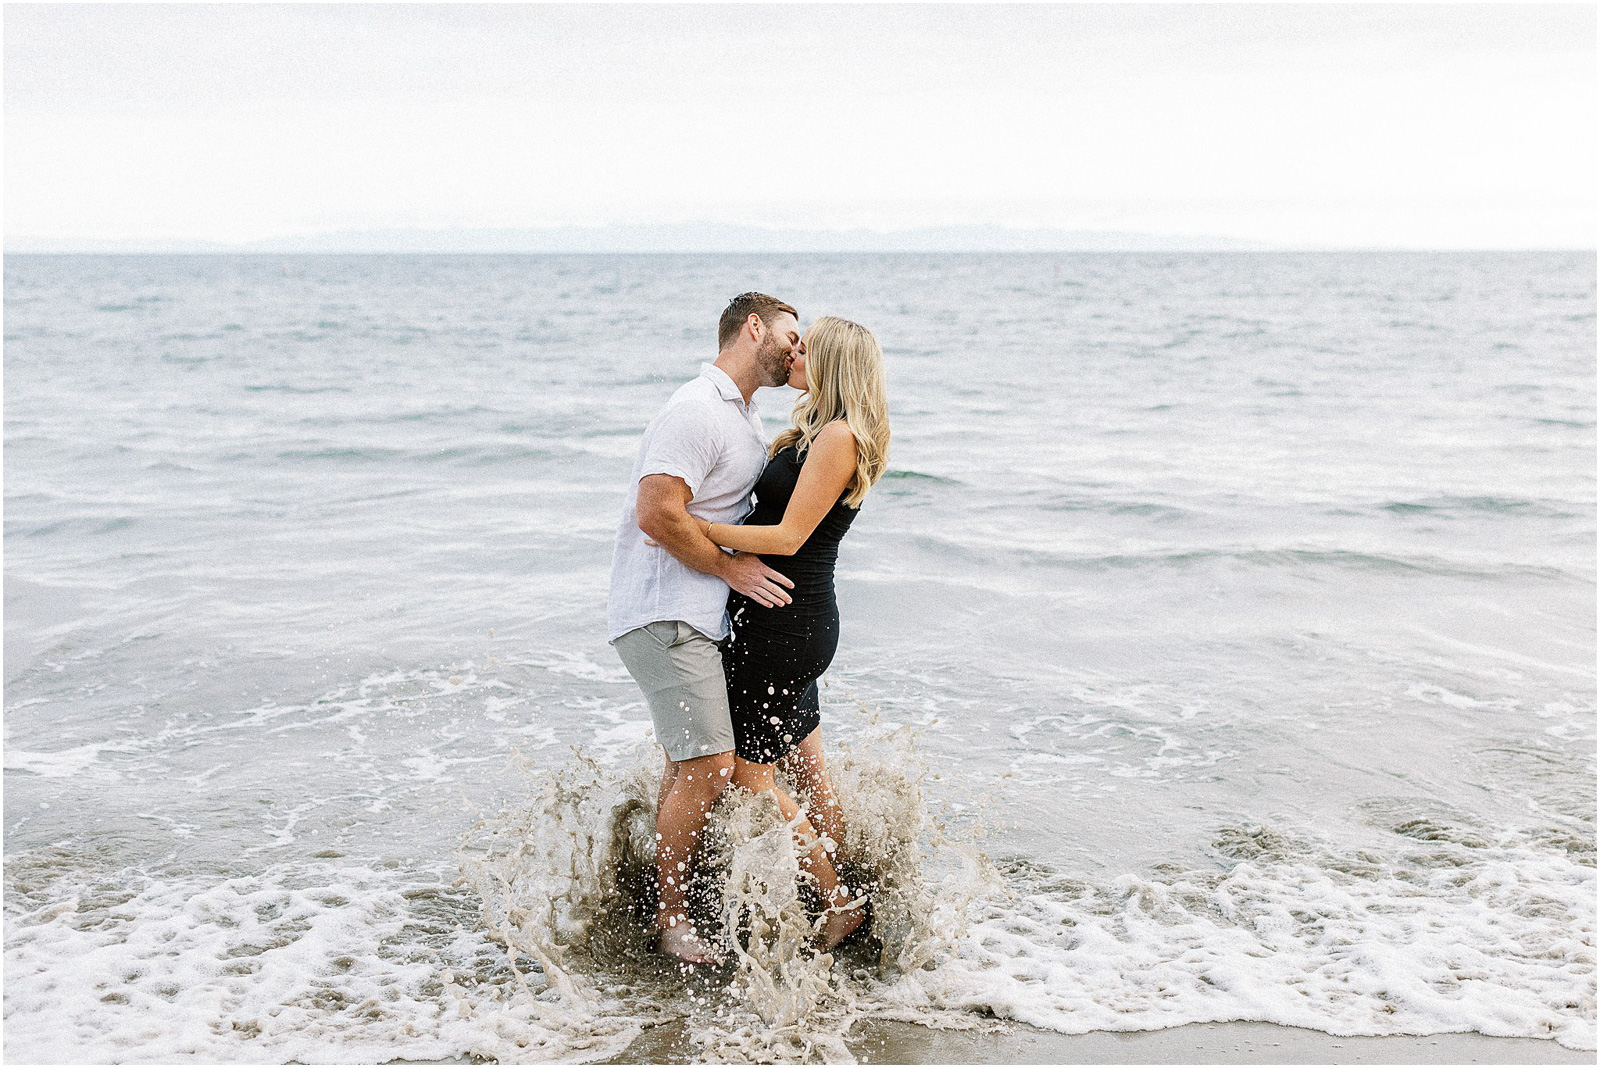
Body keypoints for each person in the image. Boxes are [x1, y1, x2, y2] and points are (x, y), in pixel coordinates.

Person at [607, 292, 802, 965]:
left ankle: (654, 901)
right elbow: (657, 514)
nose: (794, 349)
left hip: (691, 616)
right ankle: (671, 919)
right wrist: (732, 570)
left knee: (690, 767)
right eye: (789, 334)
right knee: (712, 768)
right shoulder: (695, 408)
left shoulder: (739, 417)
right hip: (666, 611)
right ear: (753, 327)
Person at [695, 316, 891, 950]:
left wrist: (693, 531)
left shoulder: (837, 436)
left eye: (807, 349)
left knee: (749, 777)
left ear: (834, 363)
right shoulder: (818, 428)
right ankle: (853, 883)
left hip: (785, 623)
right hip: (792, 619)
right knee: (808, 771)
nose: (794, 353)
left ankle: (837, 903)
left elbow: (787, 538)